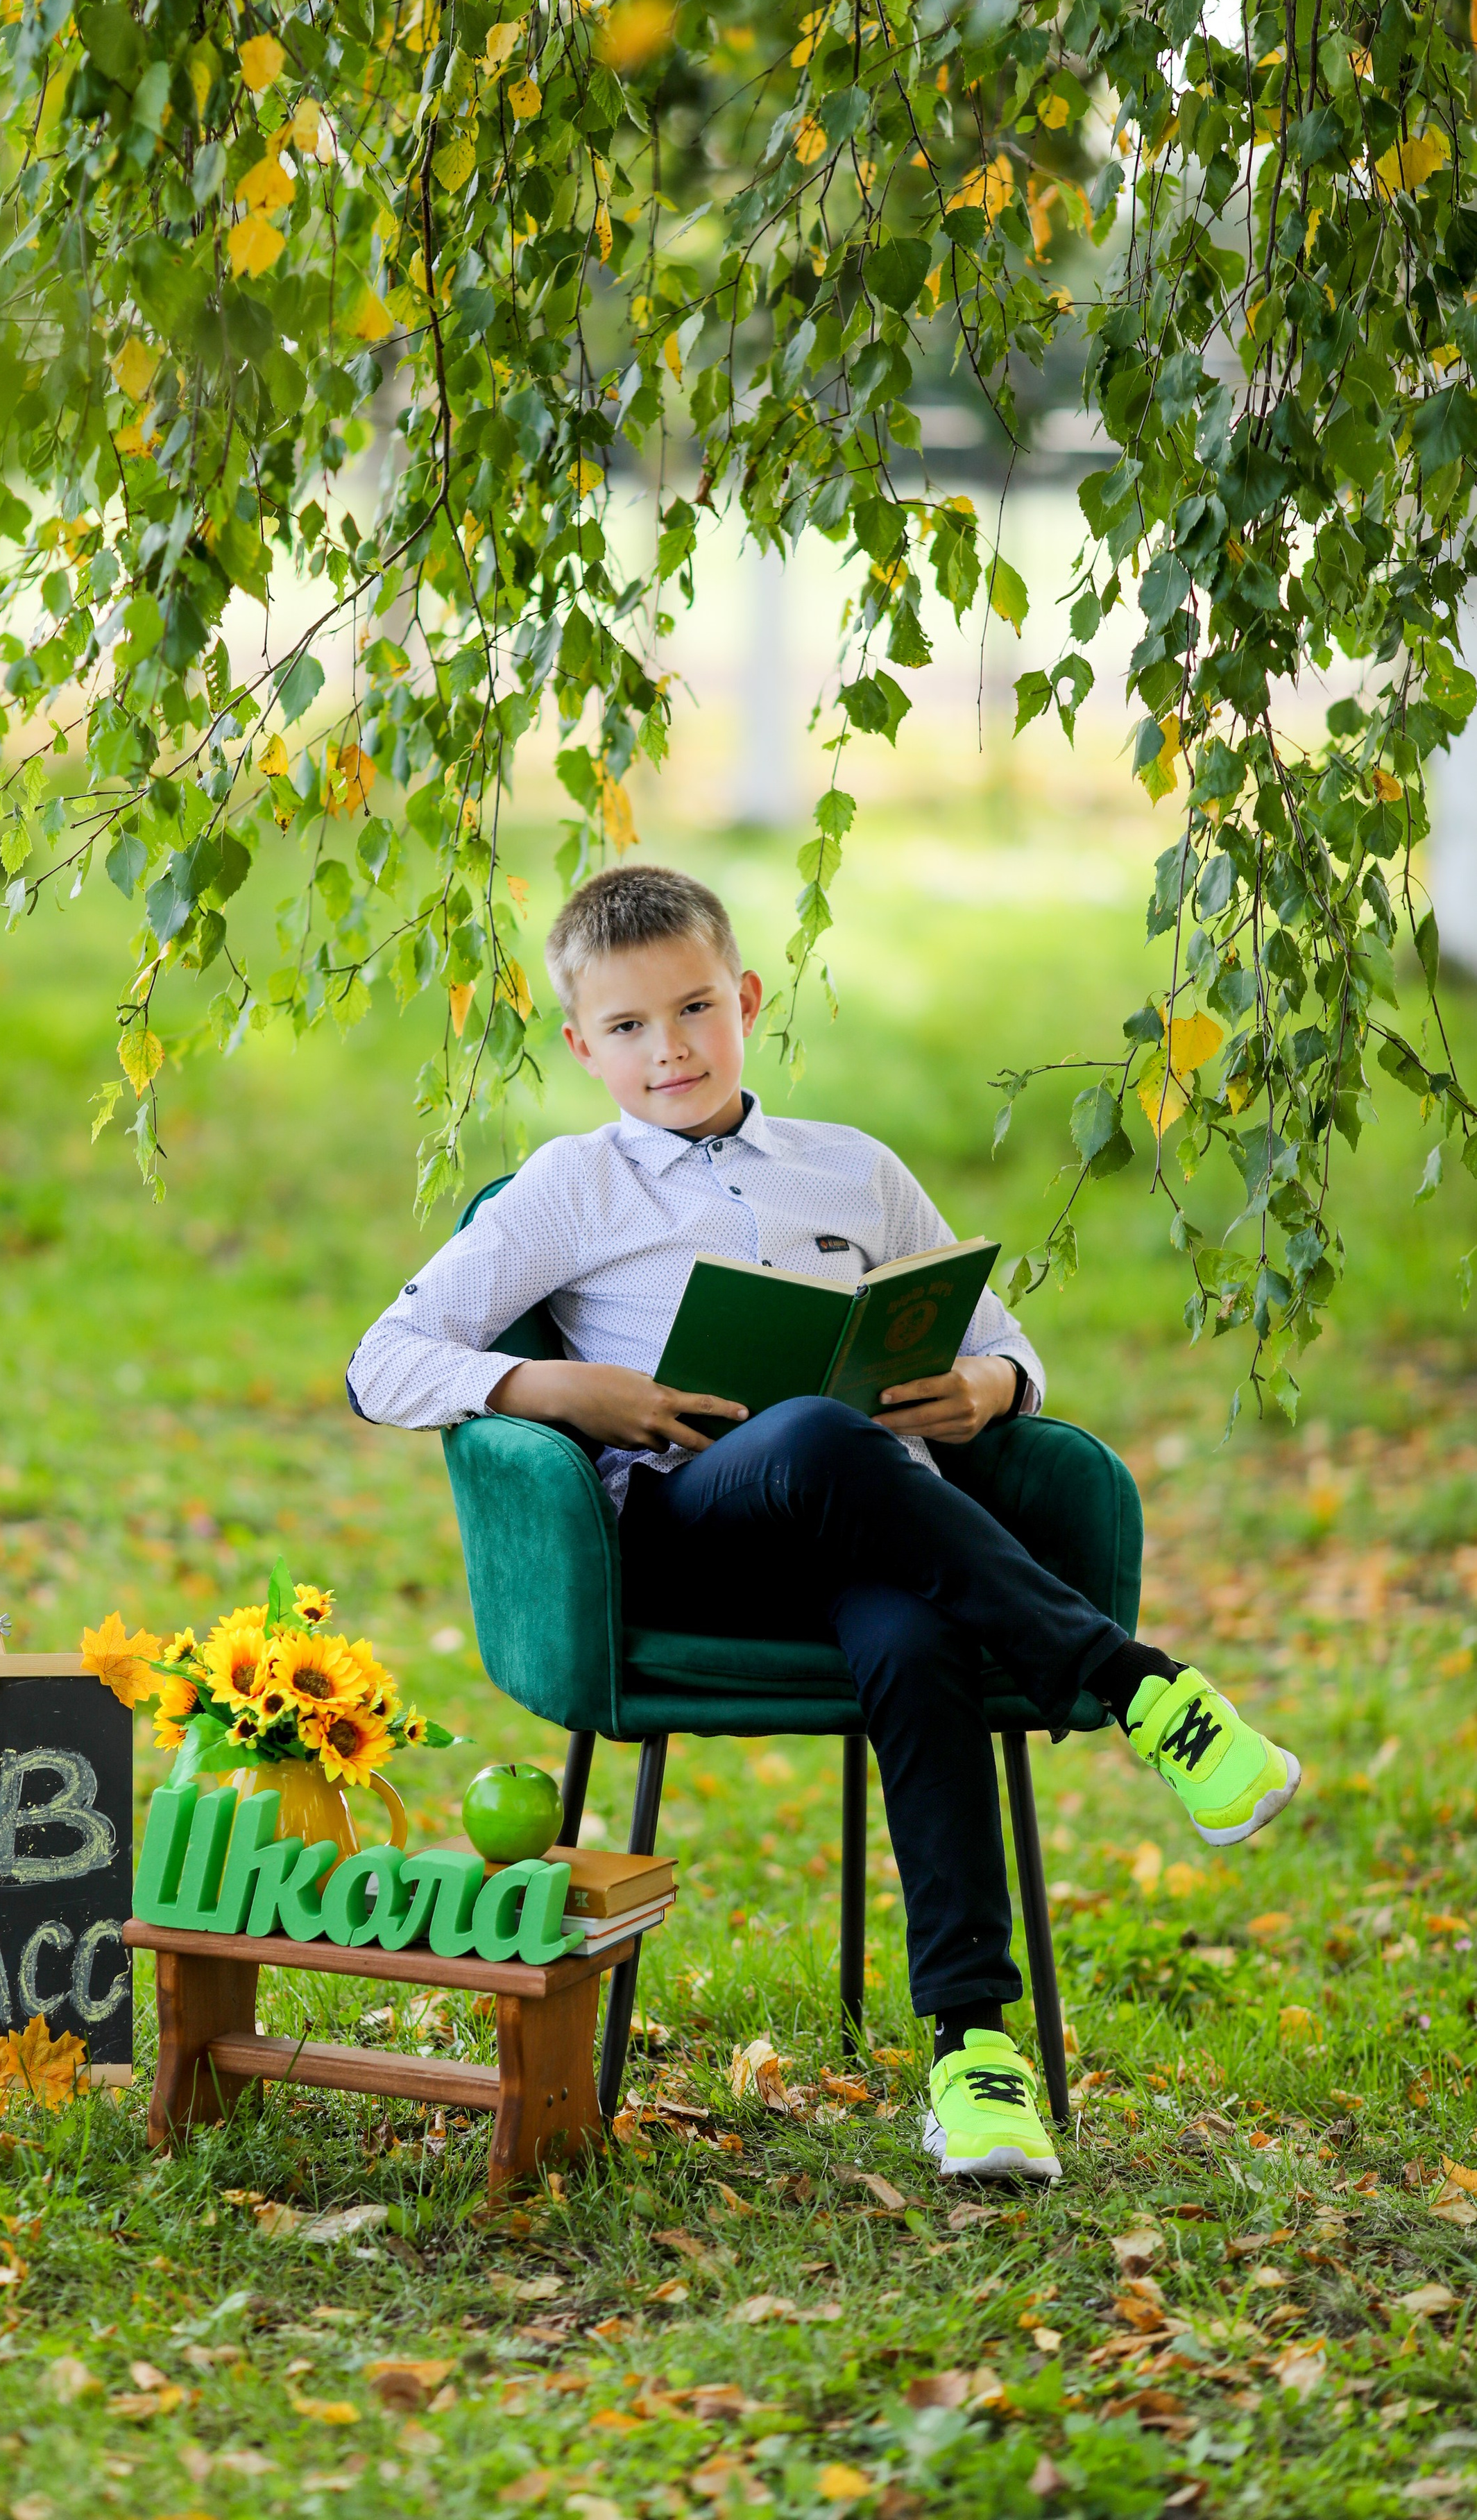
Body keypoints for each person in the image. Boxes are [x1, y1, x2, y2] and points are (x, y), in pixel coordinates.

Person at [348, 864, 1300, 2182]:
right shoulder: (573, 1188)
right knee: (801, 1429)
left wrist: (990, 1388)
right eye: (627, 1028)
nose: (668, 1049)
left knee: (914, 1637)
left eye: (693, 1010)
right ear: (581, 1046)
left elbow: (1004, 1341)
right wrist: (566, 1387)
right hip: (697, 1537)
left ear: (744, 998)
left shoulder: (852, 1170)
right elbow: (382, 1361)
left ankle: (976, 2059)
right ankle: (1135, 1689)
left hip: (885, 1531)